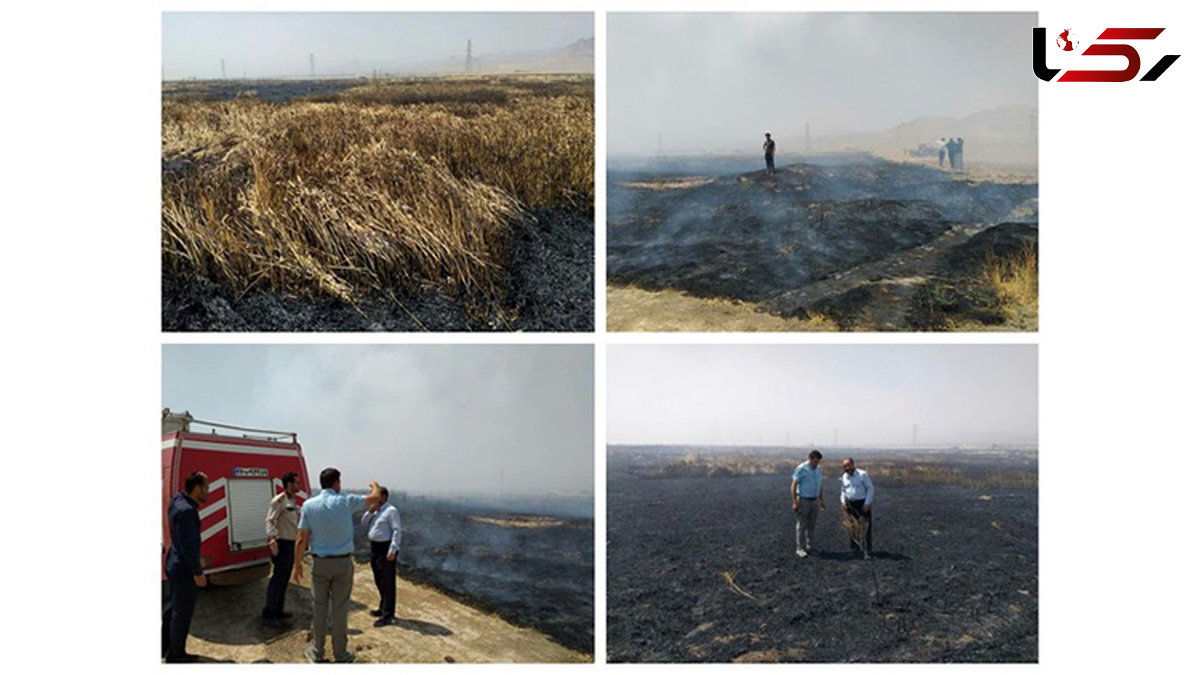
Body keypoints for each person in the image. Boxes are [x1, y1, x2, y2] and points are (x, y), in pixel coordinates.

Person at [292, 467, 383, 663]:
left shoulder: (308, 506)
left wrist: (297, 564)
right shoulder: (346, 501)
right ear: (336, 483)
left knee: (319, 609)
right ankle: (341, 654)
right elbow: (375, 497)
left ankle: (317, 652)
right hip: (342, 564)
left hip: (320, 564)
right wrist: (374, 485)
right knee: (340, 610)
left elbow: (301, 539)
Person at [162, 471, 209, 663]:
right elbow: (189, 546)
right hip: (183, 570)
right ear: (196, 488)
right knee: (182, 614)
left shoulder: (177, 501)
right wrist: (197, 572)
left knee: (173, 608)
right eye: (206, 487)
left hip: (173, 563)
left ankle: (162, 645)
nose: (208, 492)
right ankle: (176, 655)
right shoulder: (188, 511)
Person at [262, 471, 302, 627]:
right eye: (296, 483)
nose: (299, 485)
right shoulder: (279, 501)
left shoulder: (292, 501)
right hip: (282, 544)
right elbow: (270, 521)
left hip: (291, 544)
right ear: (289, 484)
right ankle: (269, 614)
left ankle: (278, 610)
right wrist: (272, 538)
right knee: (277, 580)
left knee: (284, 579)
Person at [362, 486, 403, 627]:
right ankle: (382, 607)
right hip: (375, 548)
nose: (373, 498)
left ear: (384, 497)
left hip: (385, 548)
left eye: (376, 496)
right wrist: (369, 512)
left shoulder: (391, 511)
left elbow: (397, 531)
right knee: (378, 579)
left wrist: (392, 550)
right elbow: (363, 523)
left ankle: (388, 614)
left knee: (387, 582)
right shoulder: (376, 510)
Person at [790, 450, 825, 558]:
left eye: (818, 462)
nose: (817, 464)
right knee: (802, 525)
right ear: (810, 458)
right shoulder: (801, 469)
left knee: (811, 525)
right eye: (815, 461)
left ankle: (811, 547)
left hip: (814, 501)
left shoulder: (818, 470)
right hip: (804, 500)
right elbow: (793, 485)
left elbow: (819, 485)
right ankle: (800, 548)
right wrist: (795, 502)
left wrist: (821, 500)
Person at [840, 458, 875, 559]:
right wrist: (843, 502)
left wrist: (867, 503)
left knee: (865, 527)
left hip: (862, 503)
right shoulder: (844, 477)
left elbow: (870, 488)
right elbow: (843, 490)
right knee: (852, 527)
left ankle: (868, 550)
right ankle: (855, 549)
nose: (847, 468)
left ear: (853, 465)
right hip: (850, 504)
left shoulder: (862, 475)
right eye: (844, 467)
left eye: (848, 465)